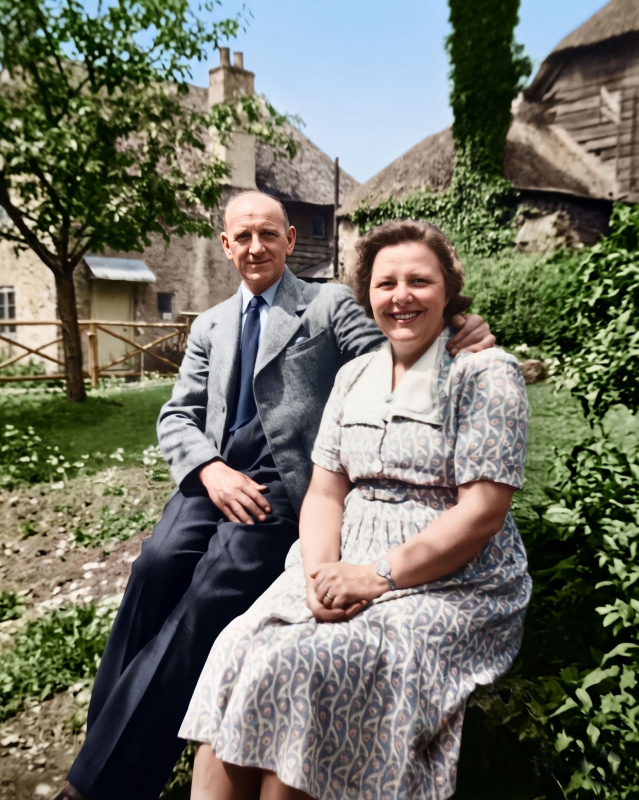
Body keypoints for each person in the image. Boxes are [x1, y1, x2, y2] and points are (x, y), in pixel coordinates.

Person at [55, 194, 495, 800]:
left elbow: (391, 348)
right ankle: (101, 742)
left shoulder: (327, 303)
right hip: (215, 475)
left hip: (284, 481)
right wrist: (208, 470)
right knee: (155, 565)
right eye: (243, 237)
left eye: (268, 234)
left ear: (290, 240)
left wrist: (455, 330)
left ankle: (103, 784)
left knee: (214, 588)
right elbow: (177, 416)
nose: (255, 247)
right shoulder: (210, 325)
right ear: (226, 245)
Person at [181, 219, 531, 800]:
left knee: (317, 664)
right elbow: (325, 491)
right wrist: (319, 574)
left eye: (419, 280)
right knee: (239, 647)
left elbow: (482, 514)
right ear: (366, 293)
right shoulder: (353, 376)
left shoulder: (484, 373)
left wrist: (376, 576)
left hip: (451, 581)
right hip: (341, 560)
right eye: (385, 282)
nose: (401, 296)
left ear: (449, 289)